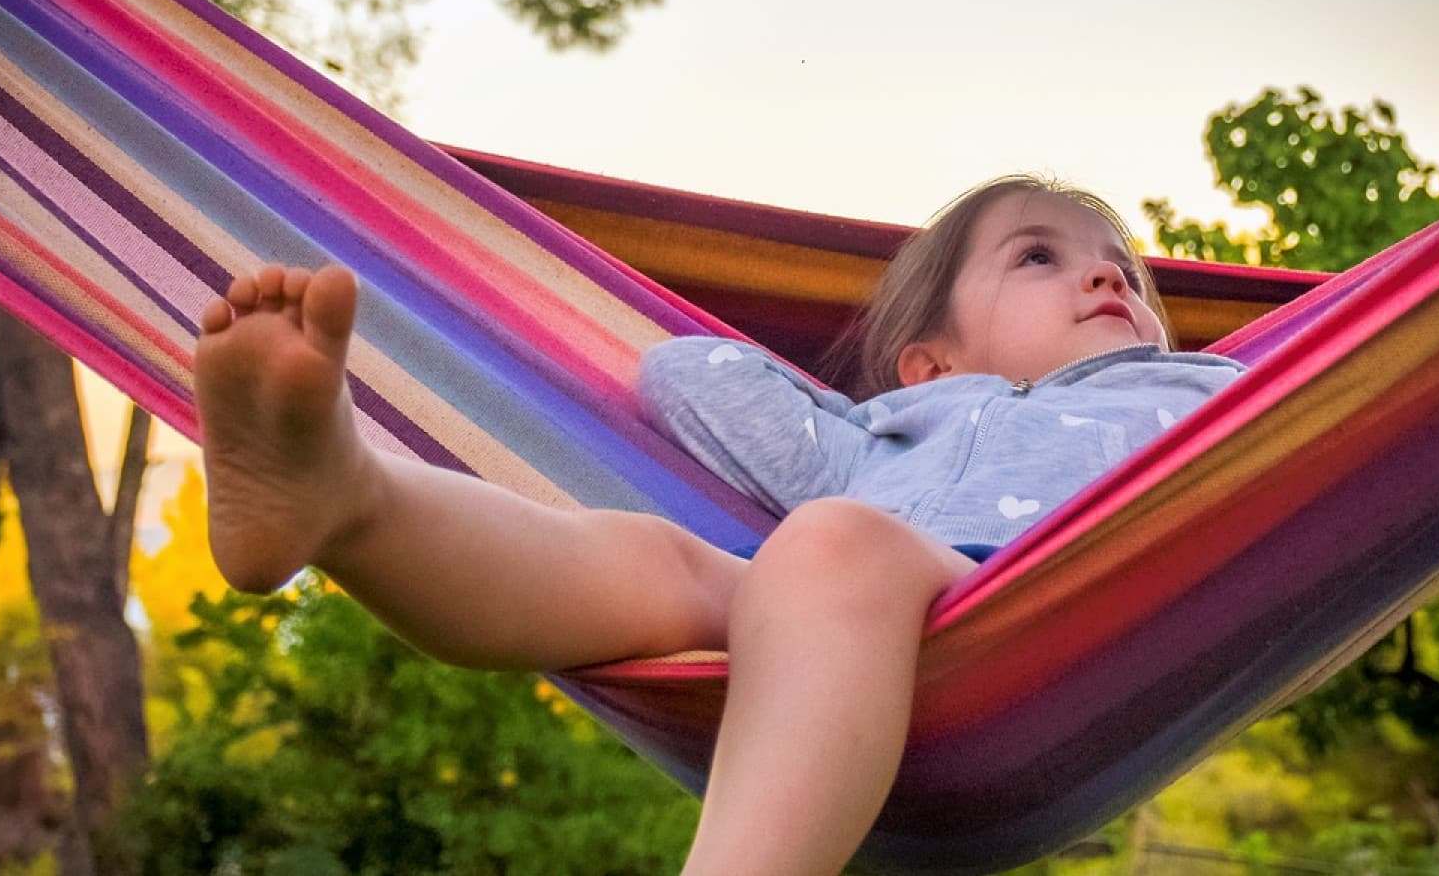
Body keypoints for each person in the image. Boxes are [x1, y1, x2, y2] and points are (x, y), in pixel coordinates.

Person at [193, 174, 1245, 875]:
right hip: (820, 624)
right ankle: (343, 496)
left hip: (1046, 618)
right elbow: (683, 376)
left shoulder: (1199, 390)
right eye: (1038, 258)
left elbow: (1289, 456)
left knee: (830, 543)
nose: (1105, 273)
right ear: (930, 359)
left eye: (1124, 268)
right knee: (667, 560)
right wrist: (852, 411)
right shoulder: (883, 431)